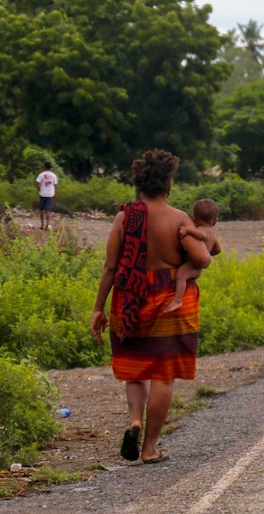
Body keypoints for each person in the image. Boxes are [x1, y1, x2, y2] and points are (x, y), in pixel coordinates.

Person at [90, 149, 211, 464]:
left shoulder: (123, 217)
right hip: (170, 300)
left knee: (135, 367)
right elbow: (200, 259)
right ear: (167, 185)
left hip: (130, 298)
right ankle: (149, 448)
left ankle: (134, 421)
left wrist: (98, 309)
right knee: (162, 374)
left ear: (138, 185)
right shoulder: (179, 218)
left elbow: (110, 268)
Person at [164, 199, 222, 314]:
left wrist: (187, 230)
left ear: (193, 218)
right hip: (197, 268)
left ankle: (177, 300)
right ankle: (179, 298)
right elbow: (218, 249)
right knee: (183, 276)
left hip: (192, 265)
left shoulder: (201, 230)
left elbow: (201, 235)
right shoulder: (213, 234)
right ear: (215, 221)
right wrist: (207, 252)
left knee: (181, 275)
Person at [35, 161, 58, 230]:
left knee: (41, 210)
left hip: (43, 194)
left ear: (44, 167)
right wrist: (55, 193)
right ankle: (47, 225)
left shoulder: (41, 174)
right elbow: (55, 185)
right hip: (50, 194)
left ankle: (42, 224)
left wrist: (39, 189)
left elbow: (36, 183)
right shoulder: (53, 175)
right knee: (48, 210)